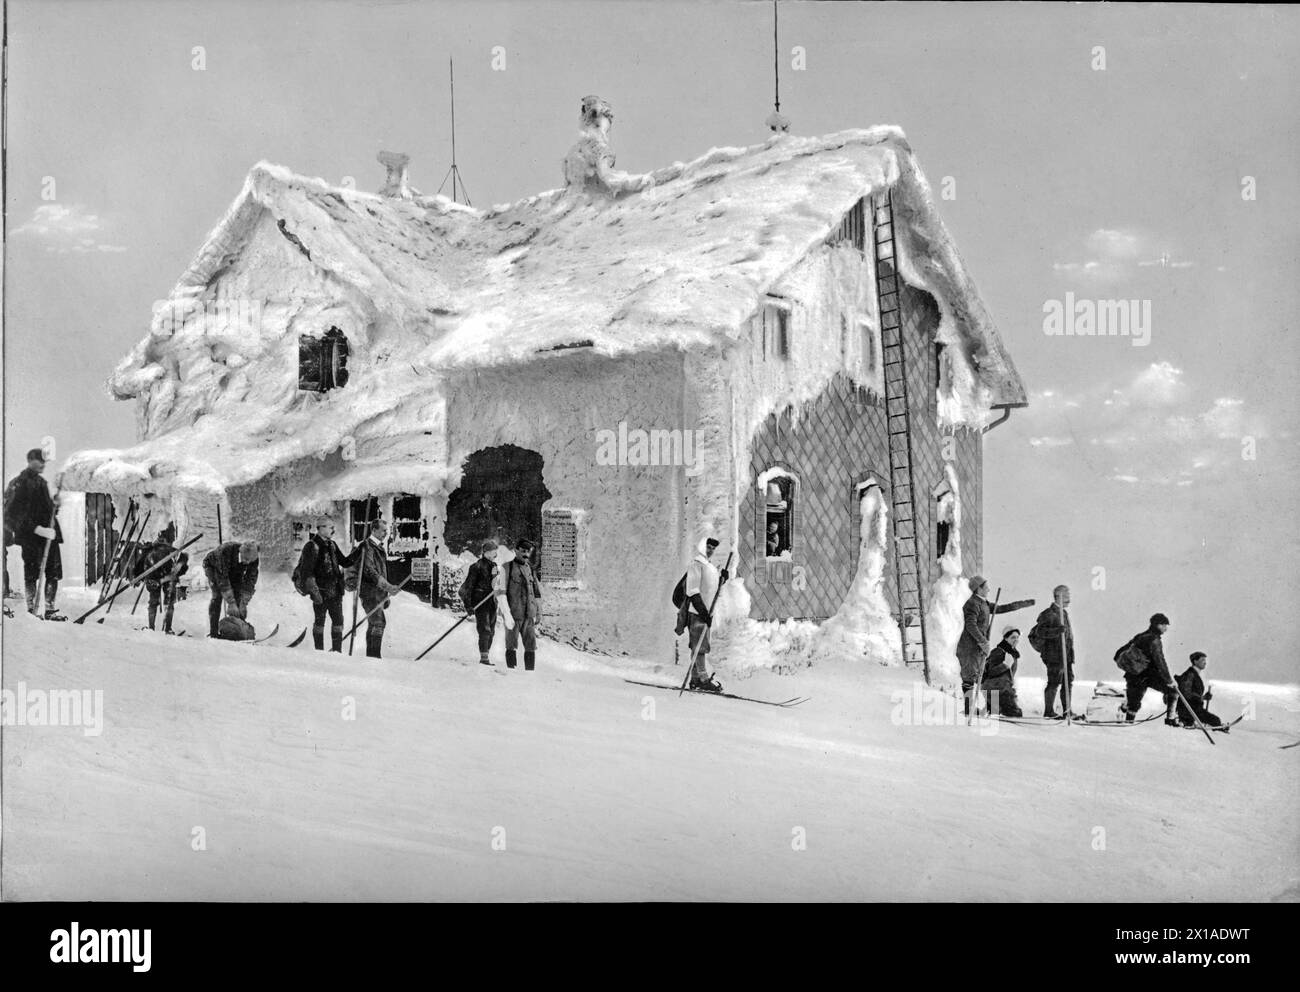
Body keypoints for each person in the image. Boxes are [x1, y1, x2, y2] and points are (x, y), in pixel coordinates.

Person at [955, 576, 1033, 715]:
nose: (989, 589)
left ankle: (984, 708)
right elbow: (970, 625)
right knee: (969, 679)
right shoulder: (972, 604)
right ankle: (968, 709)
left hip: (978, 648)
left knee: (978, 676)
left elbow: (1001, 608)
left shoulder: (984, 603)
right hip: (968, 648)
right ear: (979, 588)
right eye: (986, 587)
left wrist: (1022, 604)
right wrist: (982, 641)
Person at [3, 447, 65, 619]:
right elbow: (12, 513)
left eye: (45, 461)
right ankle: (32, 610)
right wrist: (36, 529)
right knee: (32, 572)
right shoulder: (19, 483)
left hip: (49, 536)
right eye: (40, 461)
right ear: (30, 461)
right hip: (31, 537)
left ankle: (50, 609)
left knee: (53, 572)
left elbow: (47, 511)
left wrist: (55, 505)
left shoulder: (42, 483)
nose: (43, 464)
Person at [683, 537, 729, 693]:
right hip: (697, 612)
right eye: (707, 547)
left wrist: (722, 579)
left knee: (699, 646)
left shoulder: (709, 566)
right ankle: (703, 679)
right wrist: (702, 611)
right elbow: (693, 590)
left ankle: (695, 679)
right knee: (699, 647)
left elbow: (712, 590)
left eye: (712, 548)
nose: (710, 550)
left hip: (706, 613)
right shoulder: (696, 564)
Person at [1115, 613, 1177, 724]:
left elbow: (1120, 652)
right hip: (1147, 676)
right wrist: (1169, 680)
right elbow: (1160, 661)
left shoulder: (1140, 636)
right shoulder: (1154, 640)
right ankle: (1170, 720)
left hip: (1134, 675)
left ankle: (1127, 722)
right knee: (1172, 691)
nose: (1166, 628)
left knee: (1133, 704)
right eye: (1164, 625)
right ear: (1157, 625)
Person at [298, 518, 347, 652]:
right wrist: (315, 593)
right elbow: (307, 573)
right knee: (320, 623)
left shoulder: (332, 545)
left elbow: (345, 562)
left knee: (338, 622)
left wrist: (360, 550)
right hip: (320, 592)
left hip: (336, 592)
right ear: (321, 528)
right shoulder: (311, 546)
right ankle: (319, 652)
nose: (333, 530)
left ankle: (337, 651)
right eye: (331, 527)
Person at [356, 518, 401, 659]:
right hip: (369, 592)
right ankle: (374, 657)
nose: (386, 533)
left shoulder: (379, 547)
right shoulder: (366, 547)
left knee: (374, 623)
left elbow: (382, 571)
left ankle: (371, 656)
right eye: (383, 530)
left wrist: (386, 591)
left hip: (378, 593)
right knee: (379, 622)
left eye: (386, 531)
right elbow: (369, 571)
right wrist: (387, 586)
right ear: (374, 530)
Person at [1030, 584, 1075, 718]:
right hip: (1054, 655)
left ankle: (1067, 711)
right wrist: (1056, 631)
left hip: (1066, 655)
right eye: (1066, 596)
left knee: (1068, 681)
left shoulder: (1063, 612)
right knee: (1054, 682)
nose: (1069, 599)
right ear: (1058, 597)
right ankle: (1048, 711)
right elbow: (1040, 631)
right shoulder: (1048, 614)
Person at [497, 538, 542, 671]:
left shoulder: (530, 569)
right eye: (523, 551)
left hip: (528, 615)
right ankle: (512, 674)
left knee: (531, 645)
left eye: (528, 551)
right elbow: (500, 593)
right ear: (516, 551)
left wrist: (538, 612)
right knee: (511, 645)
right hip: (513, 614)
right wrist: (507, 614)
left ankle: (530, 674)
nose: (526, 554)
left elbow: (536, 593)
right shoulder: (506, 567)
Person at [135, 523, 188, 633]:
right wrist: (176, 570)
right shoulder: (150, 554)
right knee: (161, 601)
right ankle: (161, 628)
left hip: (166, 573)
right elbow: (184, 557)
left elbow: (183, 558)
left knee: (161, 601)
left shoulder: (166, 550)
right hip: (154, 575)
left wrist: (176, 570)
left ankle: (157, 627)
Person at [203, 540, 260, 638]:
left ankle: (236, 629)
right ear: (240, 552)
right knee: (217, 596)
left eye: (249, 561)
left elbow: (250, 582)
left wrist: (243, 603)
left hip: (235, 570)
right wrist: (231, 603)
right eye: (245, 559)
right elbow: (223, 581)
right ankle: (214, 632)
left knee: (238, 596)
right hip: (213, 567)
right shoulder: (225, 551)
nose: (247, 562)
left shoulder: (253, 559)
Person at [460, 539, 500, 665]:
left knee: (492, 631)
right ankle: (484, 658)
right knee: (485, 630)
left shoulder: (494, 566)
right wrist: (468, 605)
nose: (496, 554)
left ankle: (485, 654)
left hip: (492, 602)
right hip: (480, 602)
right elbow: (466, 588)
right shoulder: (476, 567)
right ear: (487, 552)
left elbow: (496, 584)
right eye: (494, 552)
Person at [1174, 651, 1225, 730]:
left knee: (1215, 721)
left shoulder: (1194, 674)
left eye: (1205, 660)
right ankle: (1219, 729)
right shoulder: (1190, 674)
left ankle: (1218, 727)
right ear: (1195, 661)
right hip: (1189, 711)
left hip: (1194, 710)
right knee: (1215, 721)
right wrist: (1202, 698)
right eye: (1202, 660)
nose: (1205, 662)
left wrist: (1203, 697)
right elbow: (1186, 693)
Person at [981, 626, 1024, 718]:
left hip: (1004, 689)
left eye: (1017, 637)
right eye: (1013, 637)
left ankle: (993, 708)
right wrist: (1004, 665)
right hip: (993, 689)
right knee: (1015, 713)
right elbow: (990, 672)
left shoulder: (1013, 654)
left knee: (1017, 713)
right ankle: (992, 706)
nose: (1016, 640)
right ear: (1005, 638)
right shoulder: (999, 651)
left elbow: (1009, 675)